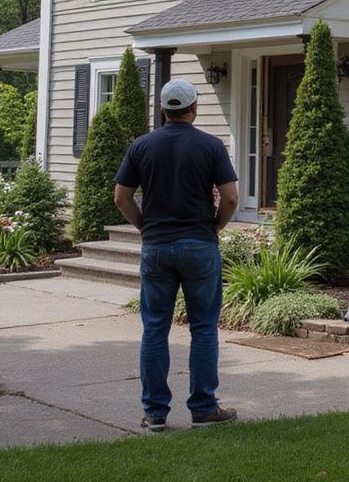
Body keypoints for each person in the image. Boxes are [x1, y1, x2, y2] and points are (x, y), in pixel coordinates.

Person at [113, 77, 239, 432]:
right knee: (203, 328)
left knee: (154, 328)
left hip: (156, 247)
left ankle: (155, 413)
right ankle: (203, 409)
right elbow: (230, 197)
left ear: (163, 109)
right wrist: (214, 227)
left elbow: (121, 197)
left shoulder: (141, 146)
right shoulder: (210, 146)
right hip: (199, 244)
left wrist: (144, 227)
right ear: (194, 108)